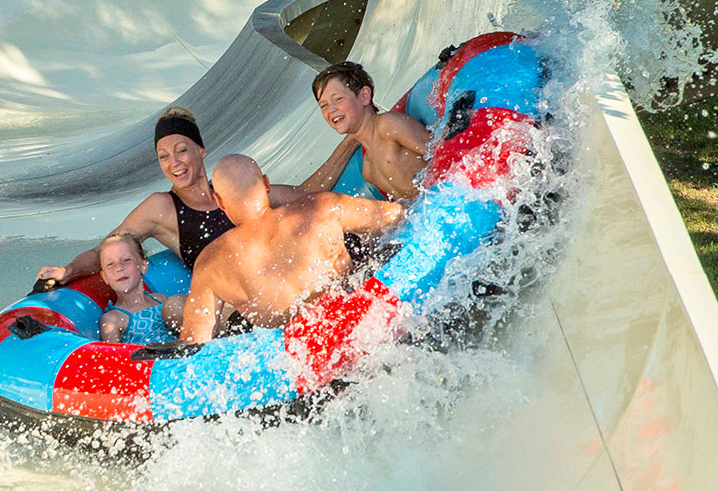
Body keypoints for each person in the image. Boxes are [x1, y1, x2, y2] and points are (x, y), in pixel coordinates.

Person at [35, 106, 299, 285]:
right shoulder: (161, 207)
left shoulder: (231, 187)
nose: (174, 163)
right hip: (230, 302)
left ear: (201, 150)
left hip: (276, 282)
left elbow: (303, 196)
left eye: (181, 150)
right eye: (163, 156)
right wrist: (68, 271)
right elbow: (106, 249)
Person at [181, 155, 405, 343]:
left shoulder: (210, 263)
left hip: (302, 357)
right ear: (266, 184)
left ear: (219, 201)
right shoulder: (321, 207)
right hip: (367, 322)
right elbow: (398, 215)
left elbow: (193, 344)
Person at [297, 61, 430, 203]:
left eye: (338, 99)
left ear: (364, 96)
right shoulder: (368, 168)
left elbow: (438, 151)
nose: (331, 109)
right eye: (323, 105)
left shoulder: (388, 125)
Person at [92, 232, 177, 344]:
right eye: (110, 264)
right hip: (148, 355)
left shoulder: (161, 300)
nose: (119, 268)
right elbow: (113, 353)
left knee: (177, 302)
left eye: (126, 260)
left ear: (143, 266)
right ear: (105, 277)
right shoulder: (113, 319)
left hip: (181, 350)